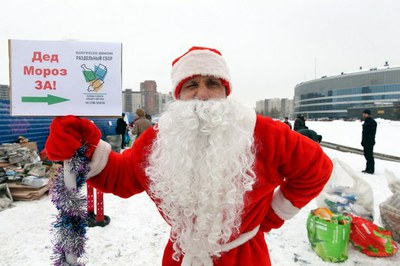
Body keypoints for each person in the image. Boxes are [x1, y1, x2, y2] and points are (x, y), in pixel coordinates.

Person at [45, 46, 333, 266]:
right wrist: (83, 146)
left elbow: (316, 168)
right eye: (192, 85)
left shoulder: (265, 132)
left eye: (212, 83)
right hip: (183, 255)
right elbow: (122, 177)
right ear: (179, 94)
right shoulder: (158, 138)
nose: (203, 94)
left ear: (226, 89)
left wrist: (271, 215)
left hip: (245, 255)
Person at [361, 109, 377, 174]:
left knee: (369, 156)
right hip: (365, 141)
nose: (364, 115)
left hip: (369, 142)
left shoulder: (372, 122)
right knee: (366, 155)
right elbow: (364, 133)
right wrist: (363, 141)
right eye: (363, 113)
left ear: (368, 114)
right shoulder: (366, 121)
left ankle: (371, 170)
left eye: (365, 113)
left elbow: (371, 133)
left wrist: (369, 141)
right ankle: (367, 169)